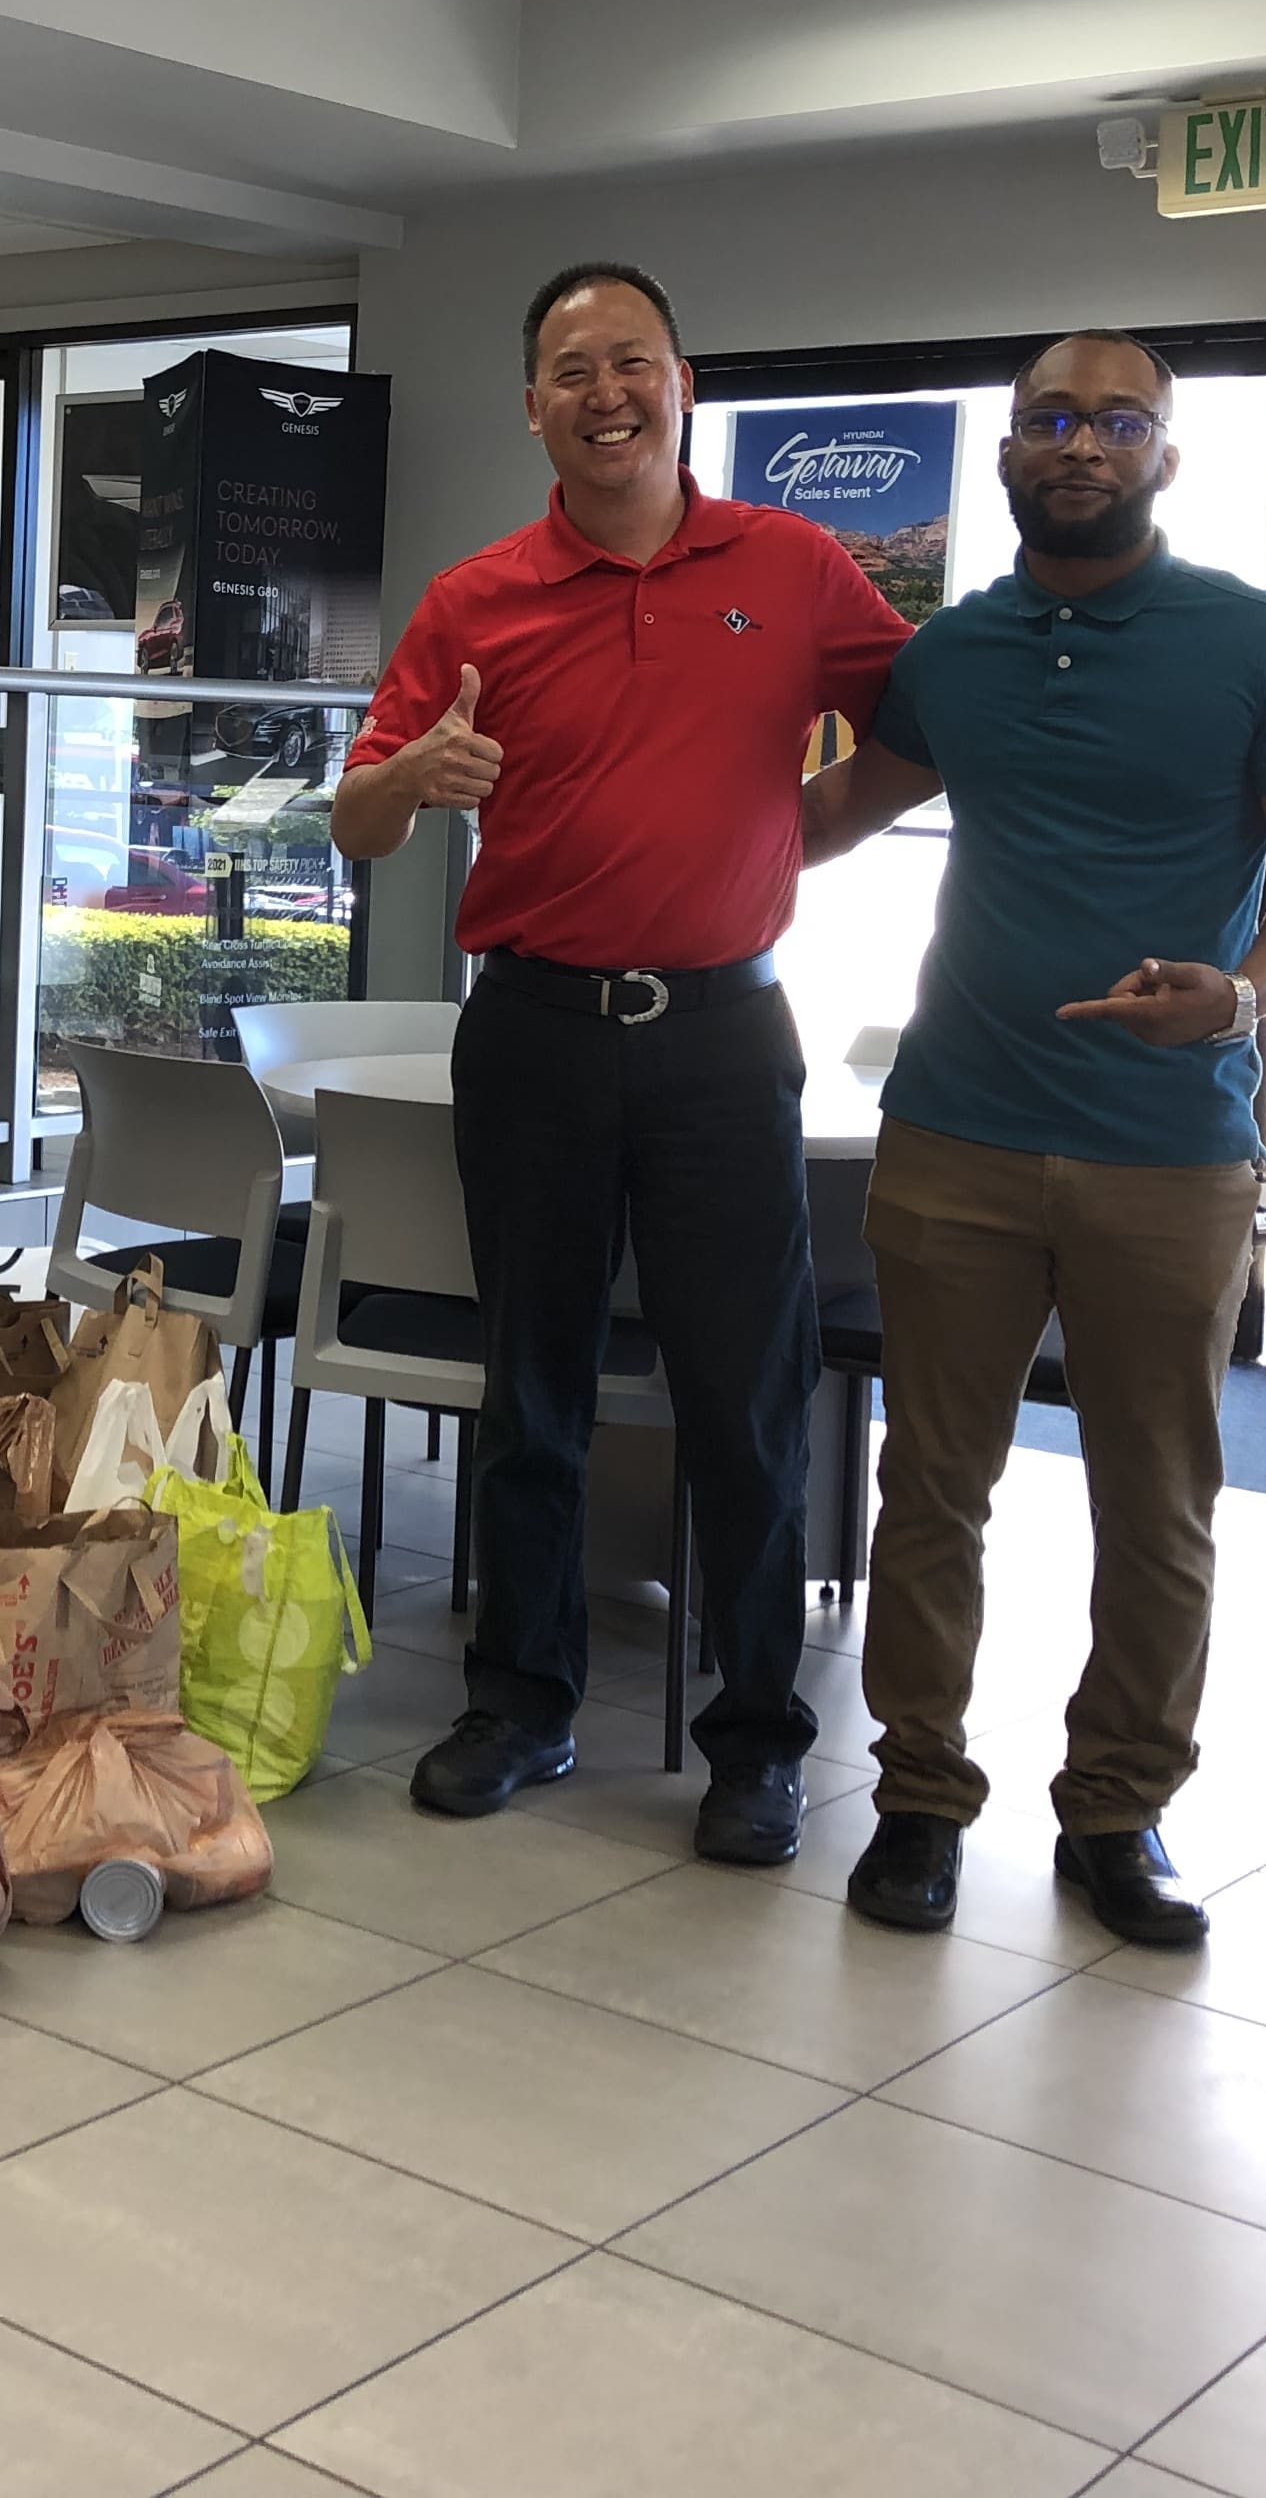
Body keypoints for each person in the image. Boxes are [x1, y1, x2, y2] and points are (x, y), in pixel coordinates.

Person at [336, 263, 911, 1860]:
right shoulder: (476, 598)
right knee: (531, 1386)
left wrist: (805, 834)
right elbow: (356, 812)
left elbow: (914, 725)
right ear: (532, 404)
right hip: (530, 1030)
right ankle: (521, 1704)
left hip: (727, 1035)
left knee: (748, 1392)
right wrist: (418, 778)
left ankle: (754, 1742)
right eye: (572, 369)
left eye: (633, 362)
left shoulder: (791, 568)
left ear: (684, 383)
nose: (607, 392)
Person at [800, 330, 1266, 1946]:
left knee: (1158, 1495)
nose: (1083, 445)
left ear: (1166, 458)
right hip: (956, 1131)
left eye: (1122, 423)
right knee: (933, 1486)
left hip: (1170, 1149)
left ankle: (1119, 1812)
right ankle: (917, 1797)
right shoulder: (954, 655)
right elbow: (830, 819)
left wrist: (1242, 997)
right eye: (1052, 418)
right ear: (1007, 451)